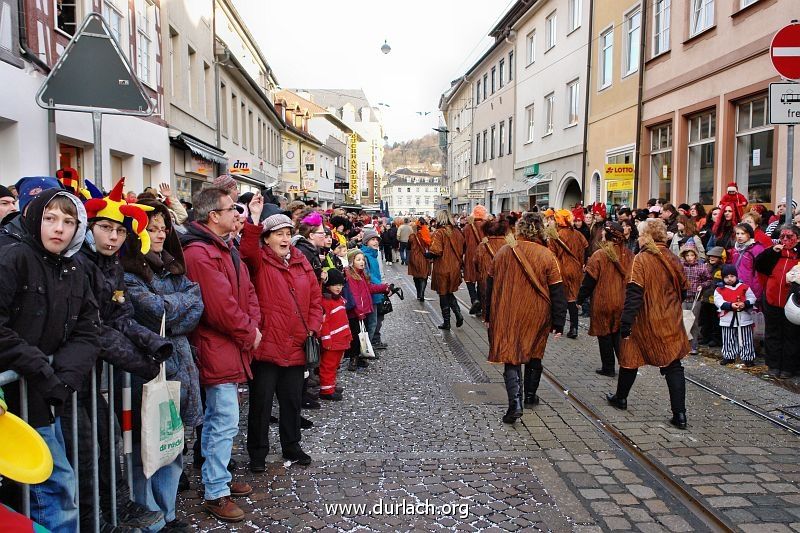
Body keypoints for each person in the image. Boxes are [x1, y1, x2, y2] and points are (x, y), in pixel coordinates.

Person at [0, 189, 100, 533]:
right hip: (15, 402)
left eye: (68, 221)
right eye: (50, 218)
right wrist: (42, 370)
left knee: (60, 486)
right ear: (34, 219)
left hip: (48, 397)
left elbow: (89, 328)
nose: (59, 228)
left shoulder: (74, 267)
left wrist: (64, 378)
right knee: (54, 491)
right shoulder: (13, 258)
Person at [122, 199, 204, 532]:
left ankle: (167, 513)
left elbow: (196, 304)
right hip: (149, 368)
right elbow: (151, 312)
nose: (158, 235)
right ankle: (151, 515)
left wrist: (171, 312)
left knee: (172, 445)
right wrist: (174, 311)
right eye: (151, 228)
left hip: (180, 367)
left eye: (162, 228)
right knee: (146, 449)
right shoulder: (127, 272)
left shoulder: (170, 264)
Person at [181, 187, 260, 522]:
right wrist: (248, 331)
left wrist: (253, 324)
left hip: (229, 346)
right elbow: (219, 308)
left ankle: (219, 480)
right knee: (222, 420)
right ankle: (215, 490)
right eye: (231, 209)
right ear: (213, 215)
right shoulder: (200, 254)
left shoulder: (224, 247)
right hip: (216, 347)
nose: (237, 215)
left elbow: (247, 291)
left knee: (225, 420)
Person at [240, 200, 322, 472]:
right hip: (267, 346)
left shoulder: (302, 262)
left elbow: (315, 299)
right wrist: (253, 218)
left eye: (288, 233)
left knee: (291, 401)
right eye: (279, 234)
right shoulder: (258, 261)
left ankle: (292, 445)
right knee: (261, 404)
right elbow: (247, 249)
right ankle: (258, 452)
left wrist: (312, 326)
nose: (285, 238)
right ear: (267, 239)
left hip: (297, 344)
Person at [606, 218, 690, 430]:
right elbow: (685, 289)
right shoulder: (672, 257)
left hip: (644, 319)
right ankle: (680, 414)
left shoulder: (641, 259)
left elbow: (634, 292)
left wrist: (626, 322)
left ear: (647, 236)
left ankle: (621, 398)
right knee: (673, 365)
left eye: (641, 233)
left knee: (630, 358)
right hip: (670, 319)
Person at [486, 212, 567, 424]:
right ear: (541, 230)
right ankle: (530, 395)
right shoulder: (547, 255)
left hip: (508, 311)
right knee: (534, 352)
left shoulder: (503, 252)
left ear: (519, 229)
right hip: (537, 312)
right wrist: (559, 321)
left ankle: (515, 403)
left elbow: (490, 285)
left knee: (511, 355)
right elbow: (557, 290)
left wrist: (488, 313)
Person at [577, 221, 634, 377]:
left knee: (605, 335)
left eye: (603, 233)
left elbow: (589, 281)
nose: (601, 235)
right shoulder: (629, 255)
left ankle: (608, 367)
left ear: (608, 236)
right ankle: (625, 364)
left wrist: (580, 299)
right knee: (617, 333)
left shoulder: (599, 255)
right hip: (622, 300)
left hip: (603, 301)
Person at [754, 224, 800, 378]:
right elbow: (759, 265)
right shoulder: (773, 253)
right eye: (783, 237)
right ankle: (773, 365)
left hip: (792, 303)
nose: (785, 240)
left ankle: (788, 367)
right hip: (772, 299)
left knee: (791, 335)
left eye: (789, 237)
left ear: (797, 239)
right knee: (773, 333)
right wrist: (771, 252)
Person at [343, 248, 390, 371]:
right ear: (351, 261)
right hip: (355, 313)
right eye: (358, 259)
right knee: (356, 336)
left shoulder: (361, 274)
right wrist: (359, 312)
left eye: (363, 259)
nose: (362, 262)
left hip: (362, 311)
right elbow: (354, 296)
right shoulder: (350, 275)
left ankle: (358, 357)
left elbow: (368, 288)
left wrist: (384, 287)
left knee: (361, 335)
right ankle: (353, 359)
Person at [547, 210, 588, 339]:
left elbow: (551, 255)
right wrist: (582, 263)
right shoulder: (578, 234)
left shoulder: (555, 236)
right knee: (573, 298)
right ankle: (574, 328)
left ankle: (558, 326)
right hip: (576, 270)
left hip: (562, 269)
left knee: (561, 297)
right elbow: (586, 248)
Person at [427, 210, 466, 330]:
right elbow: (464, 248)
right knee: (449, 292)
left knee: (443, 294)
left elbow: (436, 251)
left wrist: (427, 255)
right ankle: (458, 313)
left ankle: (447, 322)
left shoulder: (439, 232)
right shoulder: (458, 232)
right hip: (455, 267)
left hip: (443, 267)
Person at [318, 269, 352, 401]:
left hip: (340, 340)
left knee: (335, 364)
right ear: (328, 285)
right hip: (332, 341)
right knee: (328, 365)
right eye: (335, 285)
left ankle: (330, 385)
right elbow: (324, 323)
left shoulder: (339, 300)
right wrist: (326, 339)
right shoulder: (326, 302)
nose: (339, 287)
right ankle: (326, 390)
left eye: (341, 284)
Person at [714, 265, 757, 367]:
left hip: (743, 317)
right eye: (726, 277)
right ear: (723, 278)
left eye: (732, 276)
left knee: (746, 338)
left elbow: (752, 298)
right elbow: (718, 301)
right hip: (728, 318)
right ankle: (729, 356)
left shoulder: (744, 287)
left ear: (736, 276)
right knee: (728, 338)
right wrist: (729, 305)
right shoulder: (719, 289)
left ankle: (748, 357)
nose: (729, 279)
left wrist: (745, 303)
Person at [474, 218, 510, 321]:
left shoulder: (483, 246)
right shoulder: (509, 245)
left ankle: (489, 321)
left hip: (486, 280)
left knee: (488, 306)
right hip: (505, 280)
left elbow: (475, 262)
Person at [678, 243, 711, 355]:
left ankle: (693, 345)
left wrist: (702, 285)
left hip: (695, 298)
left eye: (692, 255)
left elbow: (708, 280)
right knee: (682, 321)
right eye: (687, 255)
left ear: (695, 255)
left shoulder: (701, 267)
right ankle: (683, 344)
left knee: (693, 322)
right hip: (682, 298)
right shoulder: (681, 266)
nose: (690, 258)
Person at [360, 228, 389, 348]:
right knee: (371, 322)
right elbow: (368, 277)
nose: (376, 242)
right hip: (371, 293)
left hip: (377, 292)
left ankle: (373, 343)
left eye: (377, 239)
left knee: (376, 319)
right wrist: (381, 286)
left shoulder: (374, 254)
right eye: (372, 239)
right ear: (366, 242)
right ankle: (367, 348)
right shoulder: (365, 256)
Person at [729, 223, 765, 303]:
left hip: (751, 288)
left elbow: (759, 273)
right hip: (737, 285)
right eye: (737, 233)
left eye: (743, 233)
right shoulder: (735, 249)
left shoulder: (757, 249)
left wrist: (756, 293)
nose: (739, 236)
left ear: (749, 235)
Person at [463, 205, 489, 315]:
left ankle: (474, 300)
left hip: (470, 255)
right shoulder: (487, 226)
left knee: (469, 279)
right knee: (481, 280)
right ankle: (481, 306)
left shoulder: (467, 227)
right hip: (484, 255)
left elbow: (463, 243)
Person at [698, 246, 725, 347]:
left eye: (715, 256)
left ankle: (716, 339)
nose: (712, 258)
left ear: (720, 258)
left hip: (716, 299)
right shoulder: (706, 267)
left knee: (715, 320)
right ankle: (706, 337)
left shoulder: (722, 269)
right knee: (705, 319)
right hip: (705, 297)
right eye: (710, 256)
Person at [408, 218, 433, 301]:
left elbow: (408, 247)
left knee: (416, 276)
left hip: (414, 258)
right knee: (424, 276)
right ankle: (422, 293)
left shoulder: (412, 236)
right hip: (424, 257)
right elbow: (430, 245)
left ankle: (418, 293)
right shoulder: (427, 235)